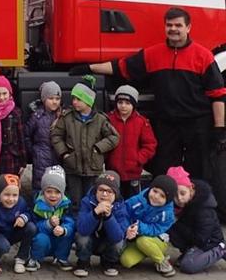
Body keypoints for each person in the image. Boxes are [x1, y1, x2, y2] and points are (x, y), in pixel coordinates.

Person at [73, 6, 226, 180]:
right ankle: (166, 206)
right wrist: (88, 68)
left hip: (197, 123)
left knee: (200, 173)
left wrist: (219, 129)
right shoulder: (153, 54)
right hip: (167, 124)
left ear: (188, 28)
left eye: (178, 25)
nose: (173, 29)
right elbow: (121, 67)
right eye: (169, 25)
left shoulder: (203, 56)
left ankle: (198, 206)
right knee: (163, 170)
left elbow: (218, 95)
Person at [49, 79, 120, 209]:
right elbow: (56, 135)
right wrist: (64, 153)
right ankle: (73, 224)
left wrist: (98, 148)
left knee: (91, 198)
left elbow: (114, 137)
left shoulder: (100, 119)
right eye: (73, 98)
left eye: (78, 99)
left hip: (93, 168)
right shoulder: (67, 118)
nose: (74, 102)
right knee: (73, 200)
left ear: (88, 101)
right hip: (72, 166)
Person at [166, 165, 226, 274]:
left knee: (188, 266)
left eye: (182, 193)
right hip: (194, 238)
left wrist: (177, 225)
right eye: (175, 196)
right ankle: (189, 253)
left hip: (208, 242)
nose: (179, 199)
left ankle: (222, 249)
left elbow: (201, 239)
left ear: (191, 187)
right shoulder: (183, 204)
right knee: (171, 231)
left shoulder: (204, 210)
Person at [73, 170, 130, 278]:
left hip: (108, 243)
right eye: (101, 190)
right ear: (96, 191)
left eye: (109, 191)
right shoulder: (87, 201)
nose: (104, 194)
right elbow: (81, 229)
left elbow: (118, 236)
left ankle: (109, 262)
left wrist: (109, 217)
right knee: (81, 236)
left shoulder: (121, 207)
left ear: (115, 193)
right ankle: (83, 261)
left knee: (120, 242)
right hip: (91, 241)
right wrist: (95, 213)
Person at [119, 174, 178, 277]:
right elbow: (123, 213)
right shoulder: (138, 200)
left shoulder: (167, 213)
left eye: (162, 196)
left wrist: (140, 227)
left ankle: (162, 262)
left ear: (168, 199)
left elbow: (158, 229)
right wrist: (128, 228)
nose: (156, 197)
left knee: (143, 241)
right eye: (155, 191)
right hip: (136, 238)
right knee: (126, 261)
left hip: (158, 240)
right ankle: (151, 253)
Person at [105, 85, 157, 199]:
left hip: (133, 172)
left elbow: (150, 145)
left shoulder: (141, 122)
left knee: (132, 199)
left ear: (134, 104)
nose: (123, 106)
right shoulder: (108, 120)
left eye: (127, 103)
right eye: (120, 102)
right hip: (113, 171)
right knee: (113, 199)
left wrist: (138, 159)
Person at [0, 173, 37, 276]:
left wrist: (23, 217)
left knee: (31, 227)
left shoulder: (21, 202)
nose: (11, 199)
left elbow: (29, 213)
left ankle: (21, 258)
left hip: (13, 232)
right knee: (3, 246)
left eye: (15, 195)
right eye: (6, 194)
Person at [29, 165, 76, 271]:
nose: (53, 195)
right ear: (43, 191)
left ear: (62, 192)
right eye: (49, 191)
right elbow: (34, 226)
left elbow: (71, 222)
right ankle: (35, 258)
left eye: (57, 192)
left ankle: (61, 258)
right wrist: (48, 224)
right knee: (41, 239)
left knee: (68, 234)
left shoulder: (66, 204)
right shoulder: (37, 205)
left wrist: (64, 229)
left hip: (58, 238)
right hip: (44, 237)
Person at [24, 80, 63, 199]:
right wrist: (34, 152)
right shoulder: (37, 117)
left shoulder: (62, 116)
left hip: (58, 157)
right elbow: (27, 136)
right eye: (51, 98)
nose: (54, 101)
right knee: (39, 186)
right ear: (44, 99)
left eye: (57, 98)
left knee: (57, 186)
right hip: (41, 158)